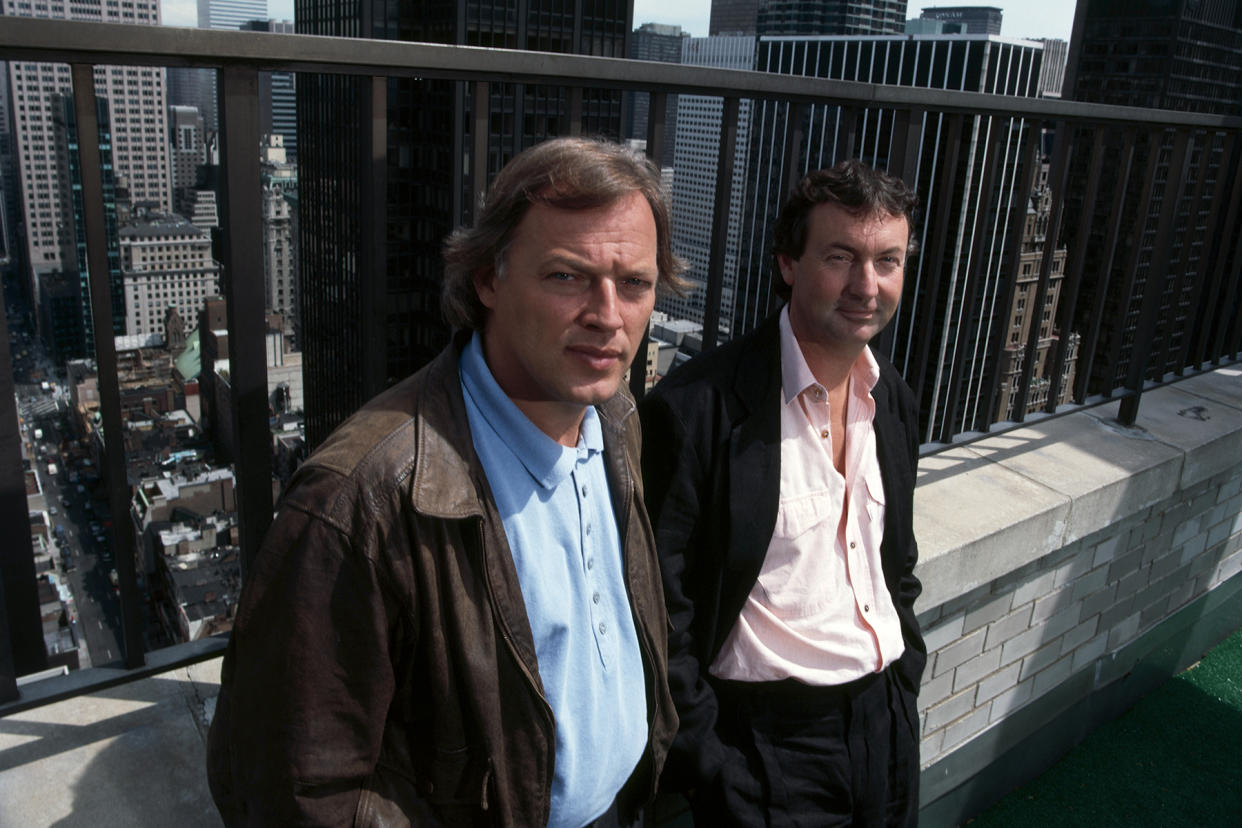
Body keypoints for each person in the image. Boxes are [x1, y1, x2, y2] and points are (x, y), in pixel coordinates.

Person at [207, 137, 685, 827]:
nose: (608, 316)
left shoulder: (614, 417)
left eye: (634, 284)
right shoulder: (360, 497)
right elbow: (292, 788)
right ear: (488, 279)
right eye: (566, 277)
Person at [640, 160, 927, 826]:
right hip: (766, 750)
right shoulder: (696, 411)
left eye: (888, 261)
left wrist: (905, 674)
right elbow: (659, 612)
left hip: (884, 728)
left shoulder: (893, 401)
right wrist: (712, 765)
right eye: (841, 257)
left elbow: (897, 566)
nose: (867, 284)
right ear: (789, 263)